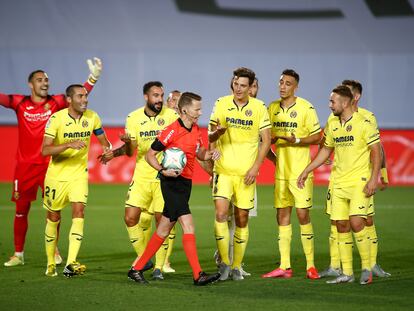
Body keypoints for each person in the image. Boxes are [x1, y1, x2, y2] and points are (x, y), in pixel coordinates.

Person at [0, 57, 102, 267]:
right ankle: (18, 254)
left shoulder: (55, 103)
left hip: (50, 166)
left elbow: (79, 96)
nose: (44, 83)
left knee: (53, 211)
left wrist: (92, 78)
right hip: (25, 166)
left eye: (46, 80)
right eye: (40, 80)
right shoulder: (20, 102)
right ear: (31, 84)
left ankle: (53, 249)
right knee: (21, 209)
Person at [127, 92, 221, 286]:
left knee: (163, 228)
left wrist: (211, 153)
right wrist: (163, 170)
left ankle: (136, 269)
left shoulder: (195, 129)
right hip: (171, 183)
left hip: (185, 183)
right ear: (185, 110)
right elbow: (150, 155)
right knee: (188, 225)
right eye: (197, 109)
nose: (200, 112)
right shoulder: (171, 130)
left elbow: (200, 154)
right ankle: (198, 274)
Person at [297, 85, 381, 285]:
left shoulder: (364, 122)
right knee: (341, 225)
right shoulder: (333, 122)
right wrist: (307, 169)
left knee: (357, 222)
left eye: (332, 101)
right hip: (338, 183)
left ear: (344, 102)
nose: (329, 105)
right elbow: (326, 150)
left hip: (359, 182)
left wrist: (373, 179)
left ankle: (367, 268)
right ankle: (348, 272)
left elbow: (376, 151)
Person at [99, 81, 177, 281]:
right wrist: (127, 144)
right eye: (155, 96)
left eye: (161, 95)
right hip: (142, 175)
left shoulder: (170, 116)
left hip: (164, 177)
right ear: (146, 97)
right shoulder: (133, 118)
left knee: (162, 222)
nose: (159, 99)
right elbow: (131, 152)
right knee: (130, 217)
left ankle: (159, 267)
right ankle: (145, 258)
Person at [319, 80, 390, 278]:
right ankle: (336, 266)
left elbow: (377, 148)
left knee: (365, 220)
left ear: (354, 97)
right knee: (337, 221)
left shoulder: (367, 118)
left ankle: (371, 265)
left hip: (361, 177)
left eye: (346, 93)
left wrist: (380, 176)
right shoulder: (334, 118)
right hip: (338, 178)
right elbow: (326, 143)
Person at [42, 84, 111, 277]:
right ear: (69, 99)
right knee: (53, 217)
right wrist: (68, 144)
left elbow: (104, 141)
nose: (85, 99)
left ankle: (70, 263)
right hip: (56, 176)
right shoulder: (56, 119)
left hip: (79, 174)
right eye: (80, 96)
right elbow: (45, 150)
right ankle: (50, 264)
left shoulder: (92, 117)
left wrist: (107, 149)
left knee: (79, 211)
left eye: (86, 96)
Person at [209, 67, 271, 281]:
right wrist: (215, 140)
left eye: (243, 85)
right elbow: (210, 132)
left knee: (242, 219)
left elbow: (267, 140)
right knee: (220, 215)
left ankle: (236, 265)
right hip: (223, 171)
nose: (238, 88)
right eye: (236, 84)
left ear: (250, 86)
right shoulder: (221, 103)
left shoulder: (259, 108)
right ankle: (224, 263)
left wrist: (255, 168)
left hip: (246, 174)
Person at [262, 69, 321, 280]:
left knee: (303, 215)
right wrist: (275, 160)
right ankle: (284, 266)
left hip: (300, 173)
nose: (282, 86)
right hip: (281, 174)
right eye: (281, 82)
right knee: (282, 216)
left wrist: (296, 140)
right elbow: (266, 139)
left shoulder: (306, 107)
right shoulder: (272, 108)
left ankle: (311, 266)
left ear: (295, 86)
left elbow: (317, 137)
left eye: (287, 83)